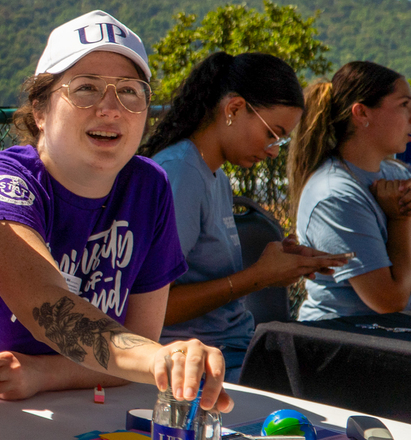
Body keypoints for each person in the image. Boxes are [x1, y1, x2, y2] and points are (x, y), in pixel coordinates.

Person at [0, 10, 232, 412]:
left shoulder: (149, 186)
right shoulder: (3, 181)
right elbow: (46, 304)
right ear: (40, 109)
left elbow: (137, 342)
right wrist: (159, 360)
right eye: (86, 88)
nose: (110, 108)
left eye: (131, 91)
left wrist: (41, 373)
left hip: (71, 410)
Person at [142, 53, 349, 381]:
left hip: (236, 349)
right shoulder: (181, 173)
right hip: (200, 362)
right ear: (234, 109)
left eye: (280, 141)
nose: (273, 151)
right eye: (272, 134)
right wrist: (259, 276)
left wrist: (280, 266)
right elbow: (154, 308)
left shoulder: (216, 176)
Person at [289, 61, 411, 319]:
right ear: (362, 113)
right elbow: (388, 300)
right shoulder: (334, 195)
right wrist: (399, 219)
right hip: (346, 343)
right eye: (404, 105)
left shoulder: (396, 173)